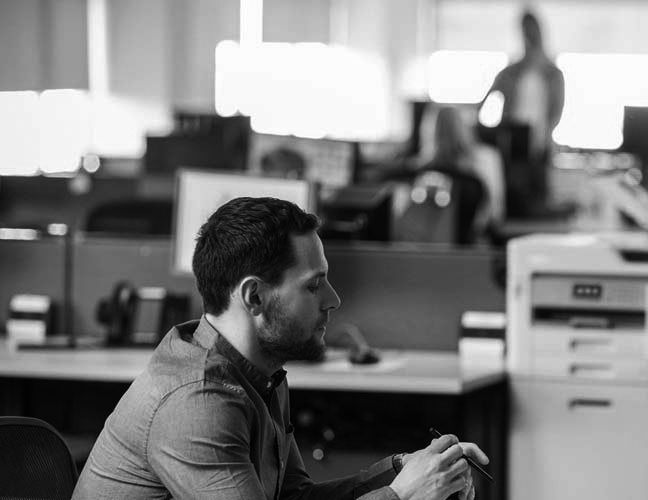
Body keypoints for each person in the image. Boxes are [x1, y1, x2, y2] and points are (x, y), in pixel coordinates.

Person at [74, 197, 488, 500]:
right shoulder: (196, 402)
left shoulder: (260, 373)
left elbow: (294, 497)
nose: (333, 299)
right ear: (254, 297)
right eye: (313, 285)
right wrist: (403, 496)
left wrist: (400, 472)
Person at [480, 9, 564, 210]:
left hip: (540, 144)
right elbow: (485, 101)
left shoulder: (553, 73)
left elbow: (557, 111)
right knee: (515, 200)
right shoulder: (511, 72)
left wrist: (546, 136)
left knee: (539, 199)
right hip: (514, 143)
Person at [414, 104, 505, 242]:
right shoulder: (488, 158)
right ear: (465, 127)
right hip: (472, 244)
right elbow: (496, 213)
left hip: (425, 245)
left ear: (427, 130)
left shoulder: (414, 172)